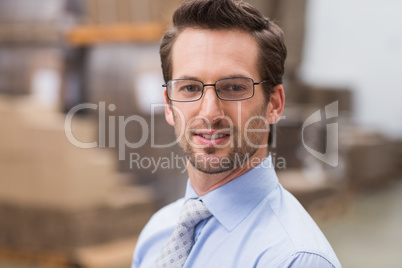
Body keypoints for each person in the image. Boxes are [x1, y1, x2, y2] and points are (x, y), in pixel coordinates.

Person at [132, 0, 341, 267]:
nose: (209, 112)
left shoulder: (293, 259)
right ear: (169, 105)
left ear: (274, 104)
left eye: (233, 87)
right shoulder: (157, 233)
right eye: (189, 88)